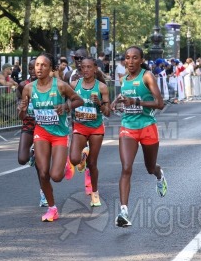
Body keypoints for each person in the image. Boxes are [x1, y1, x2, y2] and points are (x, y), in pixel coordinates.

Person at [18, 53, 84, 222]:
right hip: (41, 133)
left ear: (51, 69)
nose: (39, 68)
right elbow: (22, 116)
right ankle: (52, 208)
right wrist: (22, 109)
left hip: (59, 134)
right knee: (43, 172)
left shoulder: (61, 86)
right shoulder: (29, 88)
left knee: (56, 176)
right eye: (37, 65)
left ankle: (67, 162)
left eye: (43, 65)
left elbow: (79, 101)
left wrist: (65, 105)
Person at [110, 46, 167, 228]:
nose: (131, 61)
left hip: (147, 127)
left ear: (141, 60)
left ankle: (159, 175)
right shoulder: (123, 79)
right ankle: (124, 211)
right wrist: (116, 102)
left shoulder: (147, 76)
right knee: (126, 168)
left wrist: (136, 102)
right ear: (124, 60)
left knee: (150, 168)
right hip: (128, 127)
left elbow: (160, 104)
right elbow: (124, 95)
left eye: (135, 58)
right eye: (127, 58)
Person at [69, 57, 110, 207]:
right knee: (74, 159)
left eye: (88, 67)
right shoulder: (74, 85)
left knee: (92, 163)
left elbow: (108, 112)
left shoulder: (101, 87)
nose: (85, 70)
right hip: (80, 126)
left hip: (96, 128)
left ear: (94, 69)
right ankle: (82, 156)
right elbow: (67, 101)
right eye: (82, 67)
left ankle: (95, 193)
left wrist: (99, 104)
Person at [16, 59, 47, 207]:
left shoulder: (49, 86)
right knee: (22, 159)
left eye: (35, 68)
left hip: (44, 127)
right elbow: (20, 115)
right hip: (28, 125)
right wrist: (22, 109)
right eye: (30, 68)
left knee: (41, 165)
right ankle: (32, 154)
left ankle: (44, 193)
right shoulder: (23, 86)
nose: (33, 71)